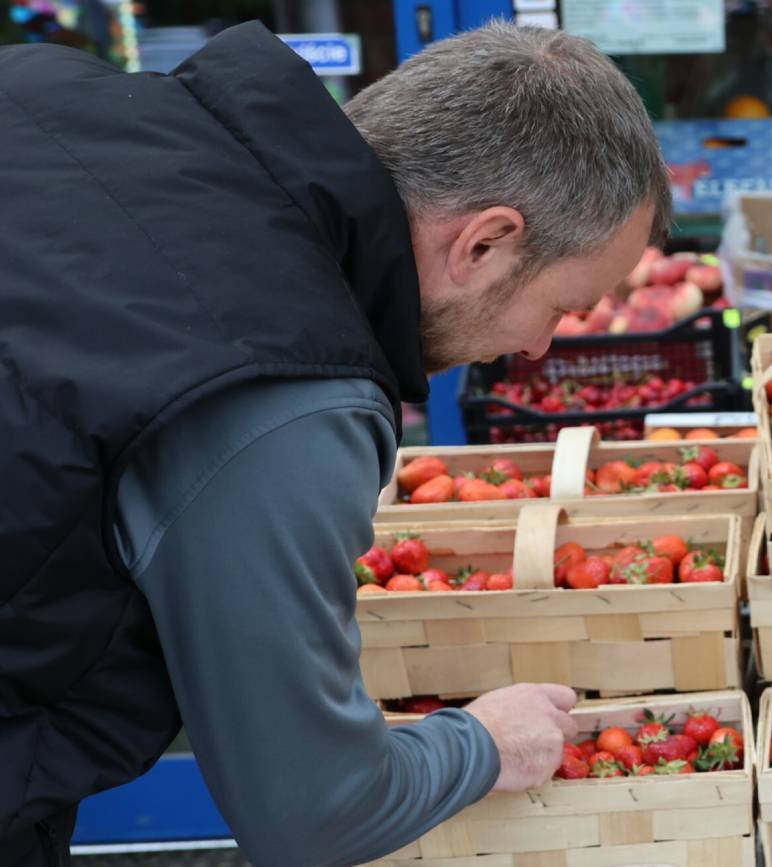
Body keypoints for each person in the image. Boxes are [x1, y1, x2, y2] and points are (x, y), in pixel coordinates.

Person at [0, 18, 671, 867]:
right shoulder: (284, 389)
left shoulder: (45, 90)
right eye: (562, 307)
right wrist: (486, 742)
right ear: (485, 243)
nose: (540, 348)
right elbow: (313, 813)